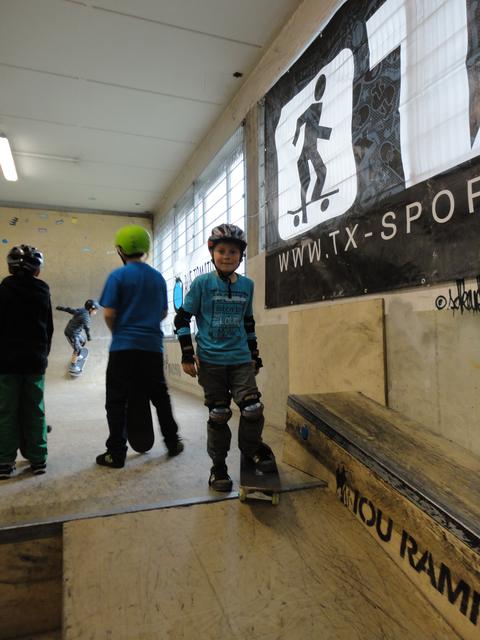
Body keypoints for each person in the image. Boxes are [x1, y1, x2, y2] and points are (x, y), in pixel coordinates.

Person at [174, 223, 275, 492]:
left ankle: (252, 450)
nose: (227, 255)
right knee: (219, 414)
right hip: (211, 361)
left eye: (233, 251)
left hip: (240, 359)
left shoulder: (247, 285)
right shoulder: (202, 284)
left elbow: (248, 322)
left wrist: (254, 354)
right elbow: (182, 317)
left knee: (253, 409)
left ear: (241, 255)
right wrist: (186, 353)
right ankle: (218, 466)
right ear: (212, 253)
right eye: (221, 251)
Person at [96, 224, 183, 468]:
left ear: (120, 250)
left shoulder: (118, 276)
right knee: (160, 396)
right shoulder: (156, 278)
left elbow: (109, 313)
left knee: (116, 399)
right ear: (145, 249)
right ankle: (172, 441)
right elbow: (163, 312)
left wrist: (120, 333)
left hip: (123, 348)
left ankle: (116, 453)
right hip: (152, 348)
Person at [0, 244, 53, 478]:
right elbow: (48, 329)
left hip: (5, 362)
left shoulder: (2, 289)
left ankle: (4, 461)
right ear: (36, 270)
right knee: (35, 410)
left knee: (6, 411)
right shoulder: (43, 291)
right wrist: (44, 356)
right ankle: (38, 459)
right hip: (34, 361)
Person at [56, 299, 99, 373]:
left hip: (75, 332)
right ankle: (73, 366)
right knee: (78, 349)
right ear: (91, 309)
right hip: (71, 333)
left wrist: (61, 308)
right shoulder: (86, 318)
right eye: (95, 310)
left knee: (82, 341)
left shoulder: (82, 310)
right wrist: (89, 336)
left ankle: (77, 355)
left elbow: (71, 310)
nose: (96, 312)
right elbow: (87, 328)